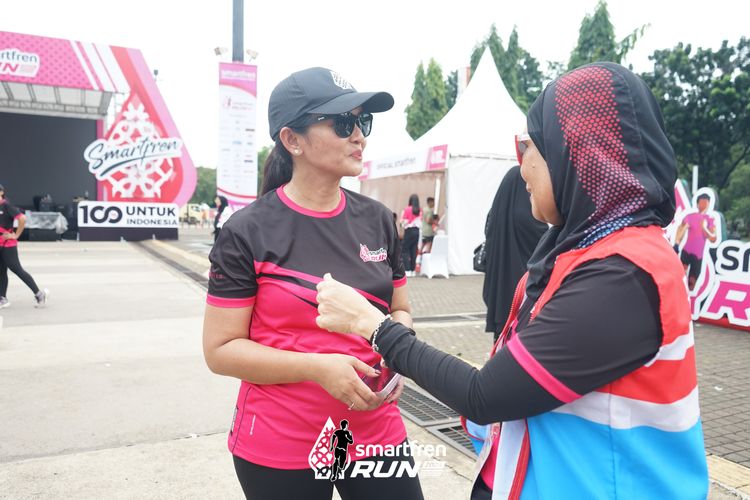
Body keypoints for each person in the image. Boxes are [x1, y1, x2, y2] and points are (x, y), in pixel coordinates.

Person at [316, 62, 708, 499]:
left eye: (528, 147)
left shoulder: (623, 274)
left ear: (578, 155)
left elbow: (486, 395)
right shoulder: (580, 249)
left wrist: (373, 326)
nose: (520, 169)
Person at [202, 67, 424, 500]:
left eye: (363, 122)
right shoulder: (247, 231)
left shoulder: (379, 220)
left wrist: (400, 351)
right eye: (342, 123)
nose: (359, 136)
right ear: (293, 140)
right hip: (281, 439)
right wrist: (317, 368)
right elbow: (220, 350)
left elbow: (400, 310)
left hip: (375, 429)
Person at [482, 166, 547, 341]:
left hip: (499, 288)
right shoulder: (528, 217)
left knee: (502, 336)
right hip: (520, 287)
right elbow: (541, 238)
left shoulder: (496, 214)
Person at [0, 184, 49, 309]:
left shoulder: (6, 205)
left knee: (16, 269)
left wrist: (16, 235)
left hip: (8, 244)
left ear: (1, 192)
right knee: (1, 271)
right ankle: (3, 298)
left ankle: (39, 294)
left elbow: (22, 218)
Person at [675, 193, 718, 290]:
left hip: (698, 256)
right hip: (686, 251)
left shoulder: (710, 219)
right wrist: (676, 243)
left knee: (692, 283)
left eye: (706, 203)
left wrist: (704, 227)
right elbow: (681, 229)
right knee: (680, 277)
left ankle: (688, 296)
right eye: (702, 202)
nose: (704, 205)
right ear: (698, 204)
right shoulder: (690, 216)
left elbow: (713, 239)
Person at [399, 194, 421, 277]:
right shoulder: (419, 210)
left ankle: (407, 270)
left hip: (409, 231)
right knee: (413, 250)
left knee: (405, 250)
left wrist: (402, 223)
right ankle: (413, 270)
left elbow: (402, 222)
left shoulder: (407, 209)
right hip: (417, 231)